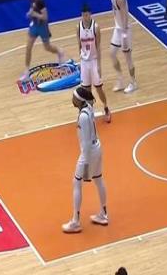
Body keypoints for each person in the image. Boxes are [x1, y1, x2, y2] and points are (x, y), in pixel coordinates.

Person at [62, 86, 109, 233]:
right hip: (97, 148)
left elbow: (87, 142)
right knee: (99, 179)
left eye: (74, 97)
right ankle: (103, 214)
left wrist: (86, 165)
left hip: (88, 153)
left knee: (77, 183)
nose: (72, 99)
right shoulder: (89, 108)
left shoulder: (83, 116)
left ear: (79, 100)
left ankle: (75, 222)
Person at [21, 0, 65, 80]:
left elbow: (45, 17)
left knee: (47, 47)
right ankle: (27, 72)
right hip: (34, 26)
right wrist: (30, 13)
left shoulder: (40, 0)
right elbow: (33, 9)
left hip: (42, 27)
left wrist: (34, 14)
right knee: (28, 47)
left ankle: (59, 51)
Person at [78, 4, 111, 122]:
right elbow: (79, 45)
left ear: (90, 14)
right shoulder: (78, 27)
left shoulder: (95, 27)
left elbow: (98, 47)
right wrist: (80, 60)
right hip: (84, 61)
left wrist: (99, 65)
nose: (85, 17)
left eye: (87, 15)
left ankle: (106, 107)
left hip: (93, 61)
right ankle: (90, 111)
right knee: (86, 90)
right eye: (83, 15)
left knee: (99, 88)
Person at [108, 0, 137, 93]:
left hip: (125, 30)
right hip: (118, 29)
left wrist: (124, 33)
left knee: (128, 58)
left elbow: (125, 15)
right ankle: (120, 80)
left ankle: (133, 83)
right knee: (112, 53)